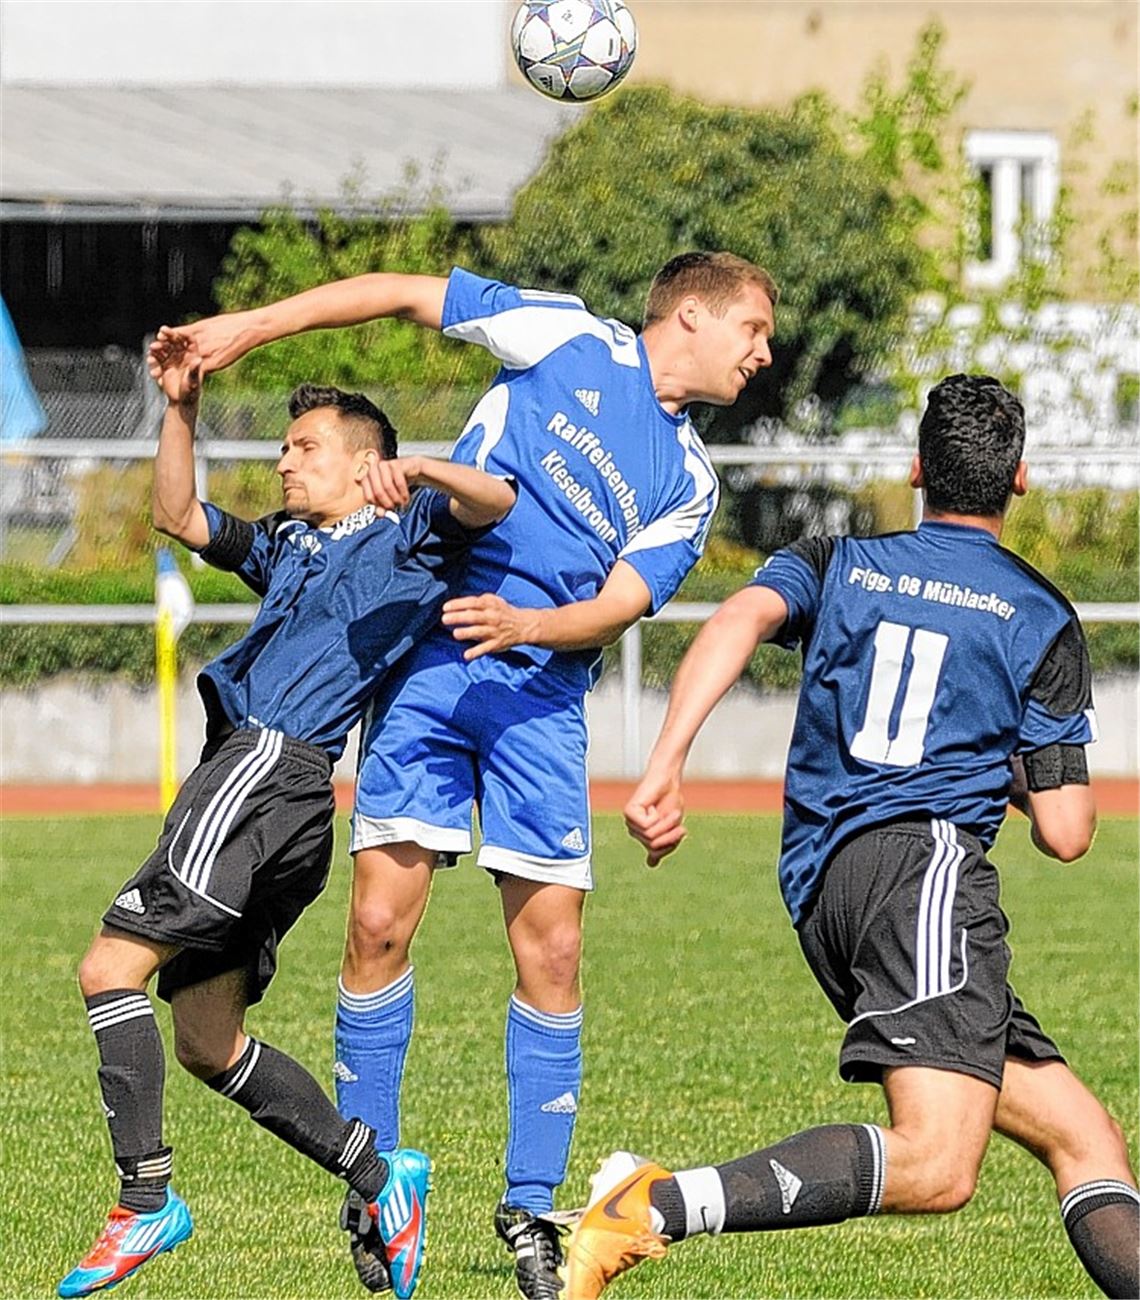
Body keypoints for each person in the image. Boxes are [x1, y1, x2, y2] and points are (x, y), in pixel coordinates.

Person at [164, 250, 777, 1298]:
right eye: (753, 330)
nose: (763, 354)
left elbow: (622, 602)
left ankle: (530, 1206)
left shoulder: (691, 478)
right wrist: (245, 329)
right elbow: (402, 292)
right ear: (690, 313)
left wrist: (532, 625)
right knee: (376, 925)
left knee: (554, 950)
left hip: (541, 701)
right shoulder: (568, 335)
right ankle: (375, 1189)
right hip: (434, 664)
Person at [564, 374, 1139, 1300]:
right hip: (925, 875)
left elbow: (740, 616)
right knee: (939, 1164)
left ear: (917, 470)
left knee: (1085, 1137)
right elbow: (1067, 831)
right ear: (1020, 479)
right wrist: (998, 756)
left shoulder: (837, 561)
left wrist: (664, 764)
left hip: (825, 888)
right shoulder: (1038, 614)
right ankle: (656, 1206)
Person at [59, 338, 515, 1300]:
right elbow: (178, 515)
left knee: (108, 969)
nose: (283, 461)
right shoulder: (290, 545)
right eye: (283, 447)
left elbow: (494, 501)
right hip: (279, 796)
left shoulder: (406, 534)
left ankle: (144, 1202)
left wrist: (420, 469)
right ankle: (382, 1178)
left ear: (363, 462)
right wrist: (180, 406)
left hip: (266, 769)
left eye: (305, 447)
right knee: (205, 1039)